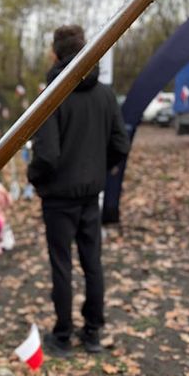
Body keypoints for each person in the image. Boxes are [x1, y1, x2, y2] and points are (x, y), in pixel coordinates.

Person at [29, 24, 130, 356]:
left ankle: (62, 336)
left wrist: (36, 178)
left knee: (63, 264)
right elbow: (120, 144)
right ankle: (92, 332)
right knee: (92, 263)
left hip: (59, 196)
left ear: (57, 53)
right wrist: (99, 170)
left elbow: (46, 154)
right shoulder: (105, 95)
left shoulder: (53, 94)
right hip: (89, 194)